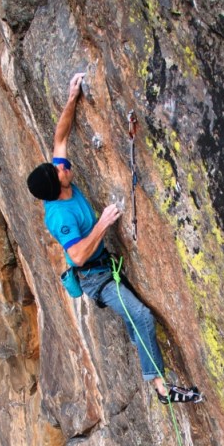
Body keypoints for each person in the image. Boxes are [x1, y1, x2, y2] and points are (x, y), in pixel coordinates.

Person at [27, 72, 202, 405]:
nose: (65, 166)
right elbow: (77, 256)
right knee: (142, 316)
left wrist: (71, 96)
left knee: (137, 320)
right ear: (59, 185)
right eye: (61, 170)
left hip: (105, 266)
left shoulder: (58, 181)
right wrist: (103, 223)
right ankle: (161, 388)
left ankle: (152, 366)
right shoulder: (60, 216)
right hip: (96, 279)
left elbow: (59, 138)